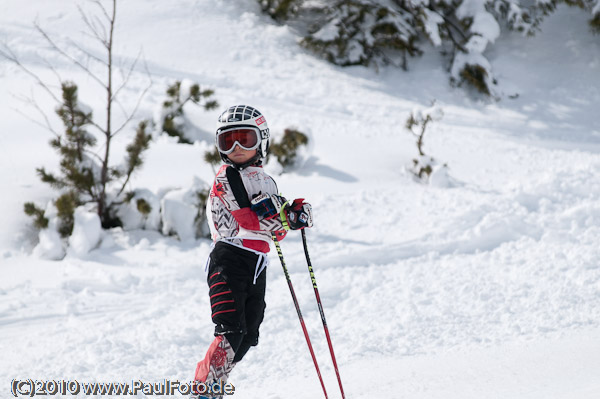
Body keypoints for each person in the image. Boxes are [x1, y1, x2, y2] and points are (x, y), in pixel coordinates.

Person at [192, 105, 313, 398]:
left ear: (261, 140)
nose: (236, 148)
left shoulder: (266, 180)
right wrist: (282, 217)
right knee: (230, 331)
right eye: (227, 141)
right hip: (229, 257)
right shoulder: (226, 176)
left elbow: (278, 232)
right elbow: (247, 220)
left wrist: (295, 215)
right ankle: (203, 390)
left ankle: (214, 386)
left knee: (247, 335)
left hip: (257, 262)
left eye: (245, 139)